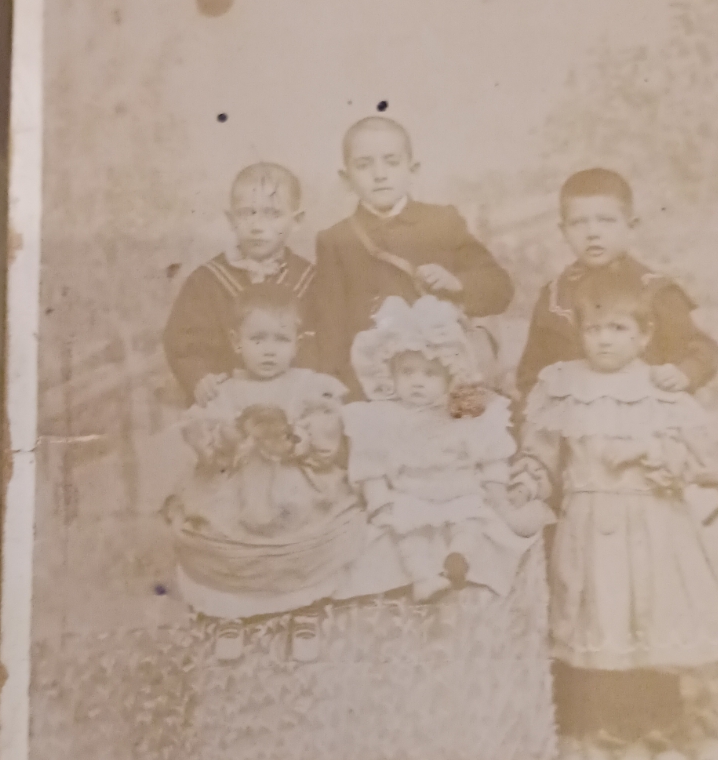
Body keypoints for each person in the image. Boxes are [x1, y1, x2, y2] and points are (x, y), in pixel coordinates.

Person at [509, 269, 718, 738]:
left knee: (649, 608)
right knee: (598, 609)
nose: (604, 341)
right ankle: (602, 715)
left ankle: (658, 714)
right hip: (588, 522)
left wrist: (649, 453)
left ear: (645, 336)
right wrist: (529, 481)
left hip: (651, 522)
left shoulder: (657, 388)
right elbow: (539, 451)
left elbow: (692, 458)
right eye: (594, 329)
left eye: (618, 329)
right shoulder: (562, 384)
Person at [167, 287, 364, 661]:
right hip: (236, 489)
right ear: (236, 342)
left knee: (307, 529)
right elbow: (204, 439)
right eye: (258, 339)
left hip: (294, 484)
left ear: (297, 342)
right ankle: (229, 613)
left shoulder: (308, 385)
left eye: (281, 339)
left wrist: (300, 440)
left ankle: (305, 610)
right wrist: (225, 439)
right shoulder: (225, 390)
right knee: (223, 537)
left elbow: (327, 430)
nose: (270, 350)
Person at [343, 296, 548, 603]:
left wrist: (498, 496)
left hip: (457, 491)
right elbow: (370, 466)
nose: (417, 382)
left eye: (429, 374)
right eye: (407, 373)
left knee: (471, 519)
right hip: (409, 493)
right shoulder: (382, 416)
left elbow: (491, 457)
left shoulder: (462, 413)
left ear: (449, 377)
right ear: (391, 375)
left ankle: (458, 557)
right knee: (404, 530)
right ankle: (423, 577)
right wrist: (379, 503)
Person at [313, 116, 513, 389]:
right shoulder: (335, 240)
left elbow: (499, 289)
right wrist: (339, 394)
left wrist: (458, 284)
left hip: (444, 383)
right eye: (363, 165)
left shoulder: (443, 221)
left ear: (413, 169)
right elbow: (330, 331)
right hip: (374, 388)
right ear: (346, 178)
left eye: (392, 162)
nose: (379, 174)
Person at [515, 167, 718, 399]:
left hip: (643, 416)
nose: (592, 232)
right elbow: (530, 373)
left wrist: (684, 373)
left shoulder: (654, 290)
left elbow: (702, 349)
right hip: (574, 421)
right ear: (563, 231)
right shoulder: (553, 297)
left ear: (630, 226)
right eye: (579, 223)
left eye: (606, 221)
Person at [163, 161, 314, 402]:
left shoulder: (310, 279)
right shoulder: (206, 282)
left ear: (296, 221)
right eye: (246, 213)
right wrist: (199, 378)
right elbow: (184, 344)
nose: (257, 226)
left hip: (295, 397)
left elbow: (325, 344)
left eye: (272, 214)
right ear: (231, 219)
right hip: (230, 399)